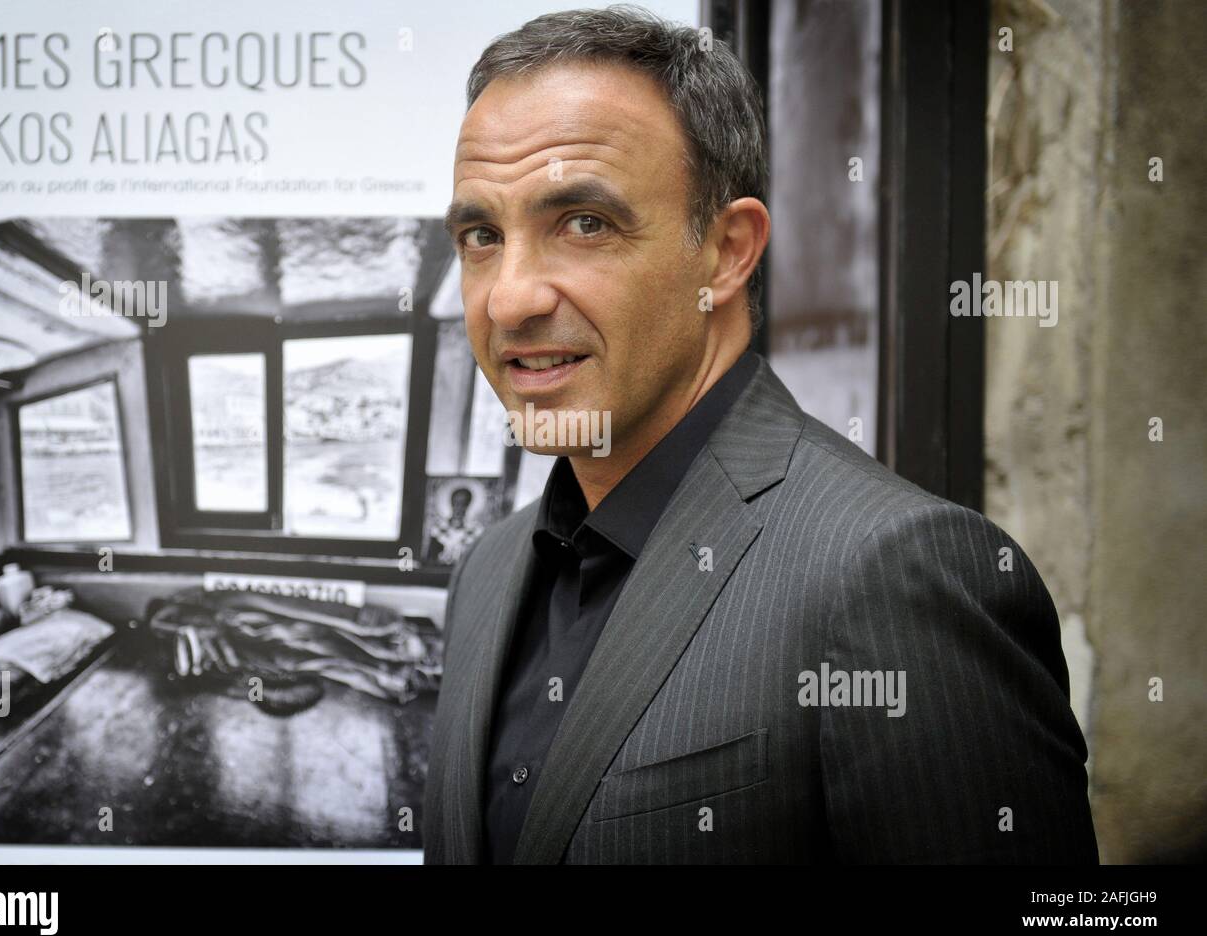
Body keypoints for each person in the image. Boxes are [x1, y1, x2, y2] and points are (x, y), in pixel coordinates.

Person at [424, 5, 1098, 864]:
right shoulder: (489, 573)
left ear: (728, 250)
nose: (509, 298)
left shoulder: (893, 572)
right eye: (482, 235)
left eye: (584, 223)